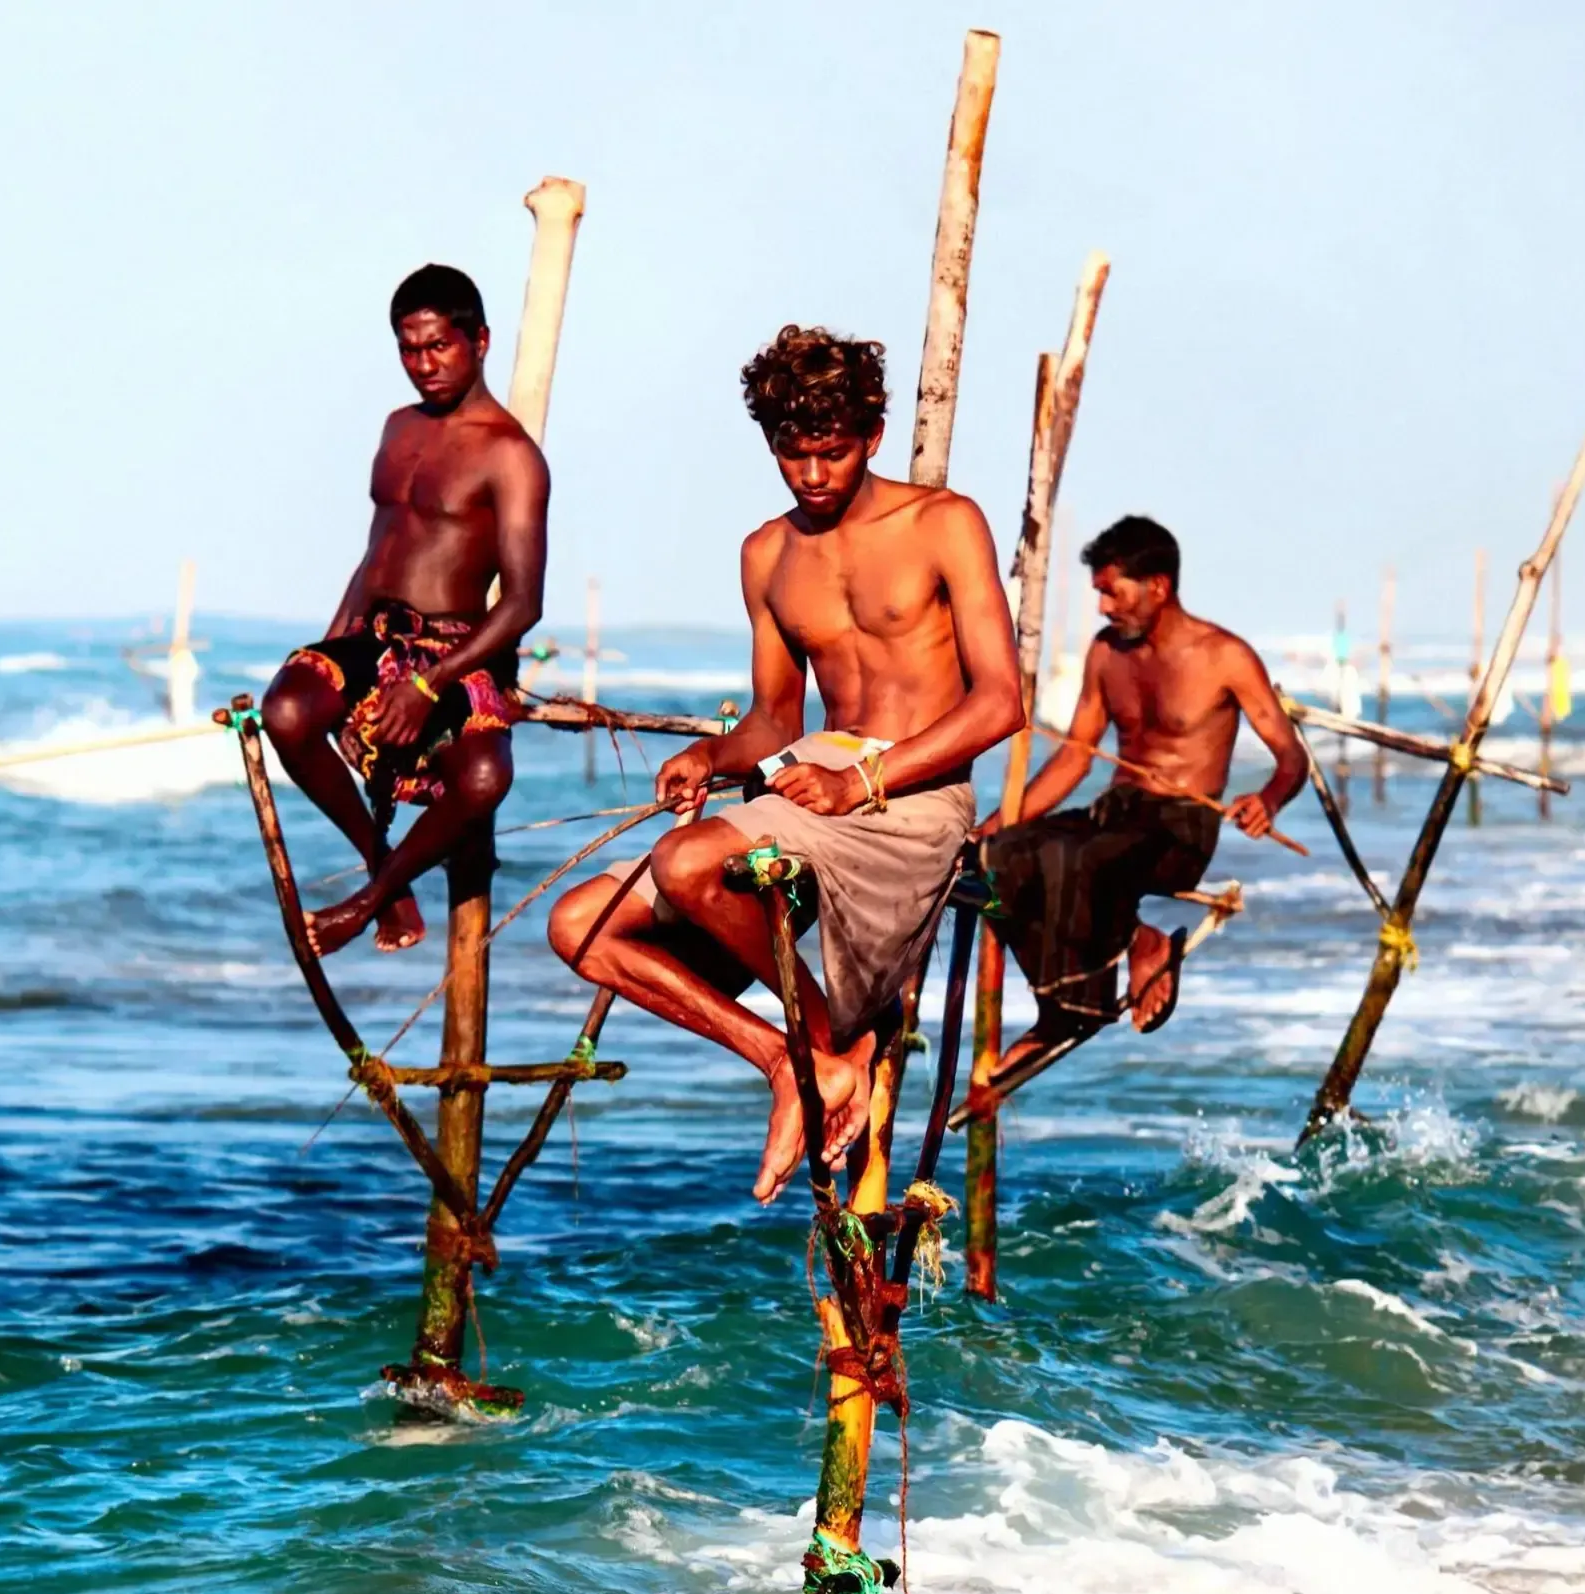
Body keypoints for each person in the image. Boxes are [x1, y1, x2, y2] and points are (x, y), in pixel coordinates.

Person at [545, 326, 1022, 1201]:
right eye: (791, 455)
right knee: (578, 924)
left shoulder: (944, 525)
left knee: (684, 861)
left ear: (873, 434)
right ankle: (794, 1061)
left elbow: (1000, 704)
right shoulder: (766, 553)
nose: (812, 475)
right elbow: (774, 720)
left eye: (831, 453)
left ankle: (819, 1053)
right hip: (811, 785)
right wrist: (711, 755)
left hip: (908, 798)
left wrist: (862, 779)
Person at [260, 264, 549, 955]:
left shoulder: (511, 455)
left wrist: (428, 685)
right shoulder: (397, 430)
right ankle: (380, 863)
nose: (424, 365)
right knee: (287, 710)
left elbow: (523, 604)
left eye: (438, 347)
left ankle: (370, 900)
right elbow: (376, 555)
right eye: (409, 349)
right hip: (375, 630)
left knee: (484, 777)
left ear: (479, 340)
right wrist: (331, 649)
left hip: (452, 647)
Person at [972, 514, 1309, 1093]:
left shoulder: (1225, 655)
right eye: (1099, 592)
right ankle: (1131, 942)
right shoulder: (1107, 654)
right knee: (999, 861)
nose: (1103, 607)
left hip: (1181, 828)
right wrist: (999, 826)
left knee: (1076, 859)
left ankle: (1073, 1010)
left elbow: (1291, 757)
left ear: (1158, 586)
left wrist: (1269, 799)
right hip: (1117, 814)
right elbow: (1076, 759)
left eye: (1112, 592)